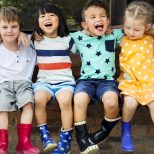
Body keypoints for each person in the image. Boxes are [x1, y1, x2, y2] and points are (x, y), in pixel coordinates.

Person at [70, 0, 124, 153]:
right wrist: (35, 34)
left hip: (107, 82)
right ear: (84, 24)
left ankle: (100, 134)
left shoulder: (113, 34)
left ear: (108, 21)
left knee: (112, 102)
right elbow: (55, 36)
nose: (98, 19)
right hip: (86, 81)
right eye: (92, 17)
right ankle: (82, 139)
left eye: (102, 16)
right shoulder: (77, 37)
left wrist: (114, 28)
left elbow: (136, 27)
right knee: (79, 99)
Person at [31, 3, 76, 154]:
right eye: (42, 16)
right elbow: (14, 37)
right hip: (44, 81)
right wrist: (30, 35)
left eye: (51, 15)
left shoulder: (68, 39)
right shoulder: (35, 40)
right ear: (38, 22)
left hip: (65, 82)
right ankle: (45, 137)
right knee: (38, 99)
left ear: (59, 20)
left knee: (65, 101)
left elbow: (85, 41)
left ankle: (65, 142)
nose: (47, 18)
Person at [0, 6, 40, 154]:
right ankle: (2, 145)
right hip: (3, 84)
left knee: (28, 104)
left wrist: (25, 34)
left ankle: (24, 143)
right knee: (1, 109)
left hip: (24, 83)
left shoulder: (28, 44)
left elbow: (43, 33)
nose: (9, 30)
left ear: (20, 28)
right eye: (4, 27)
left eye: (14, 27)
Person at [118, 1, 154, 152]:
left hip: (149, 81)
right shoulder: (121, 38)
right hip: (130, 82)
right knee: (130, 103)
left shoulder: (150, 38)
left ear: (146, 27)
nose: (131, 32)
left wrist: (151, 29)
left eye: (136, 29)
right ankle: (126, 132)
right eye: (127, 27)